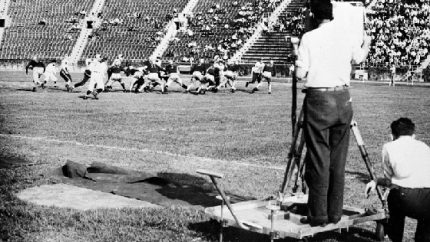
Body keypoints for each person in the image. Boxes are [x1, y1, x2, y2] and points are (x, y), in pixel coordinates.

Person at [295, 0, 371, 226]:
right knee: (338, 160)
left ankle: (318, 214)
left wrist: (296, 58)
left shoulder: (309, 38)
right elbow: (359, 58)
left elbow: (301, 74)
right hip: (344, 99)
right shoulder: (346, 34)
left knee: (319, 158)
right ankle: (334, 213)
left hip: (320, 99)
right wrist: (367, 43)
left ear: (312, 15)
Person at [365, 118, 430, 242]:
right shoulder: (424, 147)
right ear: (413, 135)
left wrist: (376, 181)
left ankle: (395, 236)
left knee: (394, 197)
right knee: (426, 227)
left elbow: (389, 181)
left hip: (406, 197)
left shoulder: (389, 147)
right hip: (428, 198)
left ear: (392, 135)